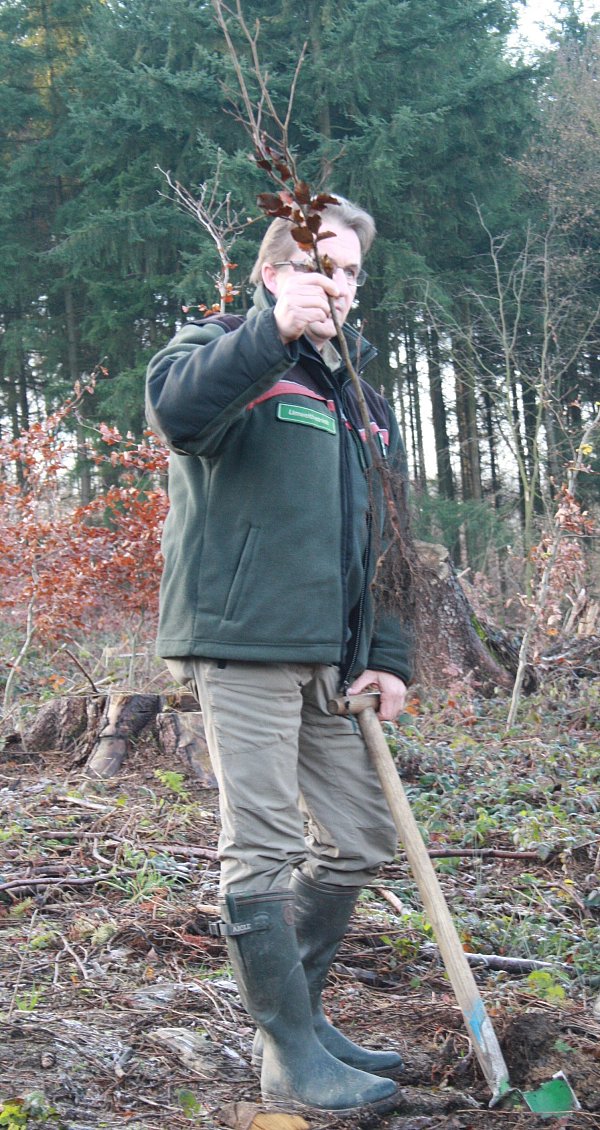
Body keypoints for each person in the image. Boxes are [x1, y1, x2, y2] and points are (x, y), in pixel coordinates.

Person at [145, 195, 414, 1116]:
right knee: (261, 847)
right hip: (242, 640)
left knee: (361, 836)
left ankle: (296, 1019)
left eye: (349, 274)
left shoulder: (363, 401)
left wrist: (389, 656)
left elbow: (393, 548)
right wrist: (268, 331)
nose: (338, 287)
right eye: (320, 267)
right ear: (275, 273)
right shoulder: (219, 351)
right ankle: (290, 1056)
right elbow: (178, 416)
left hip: (334, 658)